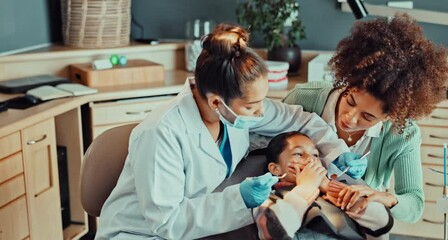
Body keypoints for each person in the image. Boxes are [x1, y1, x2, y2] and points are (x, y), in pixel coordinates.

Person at [95, 23, 361, 239]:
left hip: (195, 229)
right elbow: (167, 222)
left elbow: (300, 120)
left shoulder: (235, 109)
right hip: (139, 233)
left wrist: (337, 151)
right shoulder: (161, 134)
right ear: (215, 102)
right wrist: (240, 199)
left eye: (262, 102)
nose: (260, 113)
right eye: (252, 106)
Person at [283, 13, 448, 223]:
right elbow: (261, 151)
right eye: (350, 100)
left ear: (391, 115)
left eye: (367, 116)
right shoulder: (304, 98)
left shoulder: (403, 134)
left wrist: (384, 198)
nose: (350, 119)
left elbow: (414, 206)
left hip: (361, 226)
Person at [255, 131, 393, 239]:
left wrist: (332, 188)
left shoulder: (337, 193)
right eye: (298, 154)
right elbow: (276, 229)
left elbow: (382, 222)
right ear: (275, 169)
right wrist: (306, 187)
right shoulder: (264, 198)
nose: (310, 160)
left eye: (315, 155)